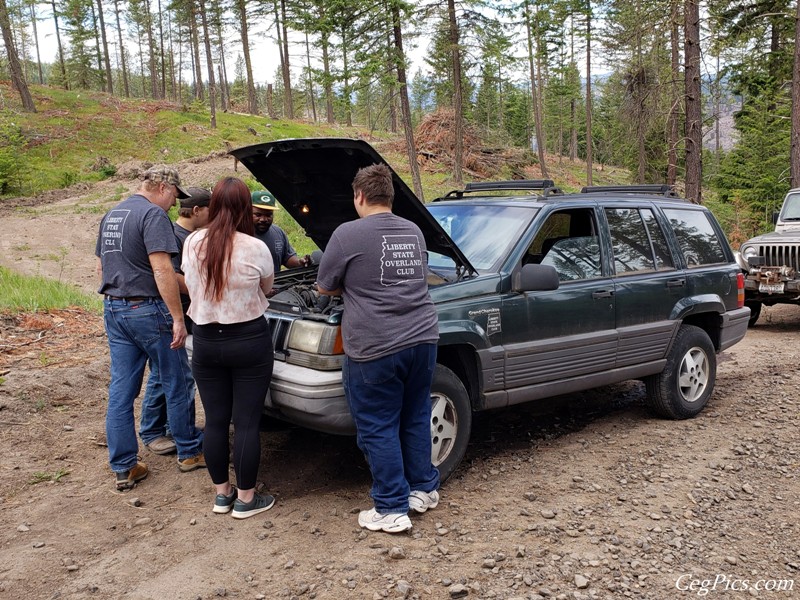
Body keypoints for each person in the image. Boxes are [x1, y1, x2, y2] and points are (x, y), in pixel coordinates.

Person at [316, 163, 440, 533]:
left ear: (359, 196)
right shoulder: (414, 230)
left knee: (377, 425)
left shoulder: (347, 234)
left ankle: (390, 508)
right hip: (423, 338)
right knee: (416, 414)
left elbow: (325, 287)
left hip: (376, 345)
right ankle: (423, 489)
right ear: (390, 196)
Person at [95, 165, 206, 491]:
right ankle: (188, 452)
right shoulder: (153, 216)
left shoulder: (113, 214)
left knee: (121, 389)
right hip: (146, 309)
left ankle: (124, 466)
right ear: (160, 186)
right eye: (174, 195)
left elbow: (101, 264)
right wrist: (176, 318)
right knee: (177, 378)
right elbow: (163, 271)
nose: (174, 204)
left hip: (114, 308)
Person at [182, 177, 276, 519]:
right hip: (249, 340)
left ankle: (222, 495)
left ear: (215, 205)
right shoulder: (256, 248)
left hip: (206, 341)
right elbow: (267, 286)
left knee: (216, 420)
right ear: (244, 208)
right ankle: (247, 499)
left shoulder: (192, 243)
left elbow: (192, 286)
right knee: (247, 421)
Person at [139, 187, 211, 456]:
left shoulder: (185, 235)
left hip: (182, 314)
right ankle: (153, 430)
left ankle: (169, 428)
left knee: (168, 373)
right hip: (172, 314)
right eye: (210, 212)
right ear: (196, 211)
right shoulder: (176, 237)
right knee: (166, 374)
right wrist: (205, 292)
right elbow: (171, 276)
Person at [251, 190, 311, 273]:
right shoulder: (239, 235)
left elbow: (287, 258)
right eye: (258, 215)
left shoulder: (278, 233)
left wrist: (300, 262)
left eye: (269, 215)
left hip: (275, 284)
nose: (263, 219)